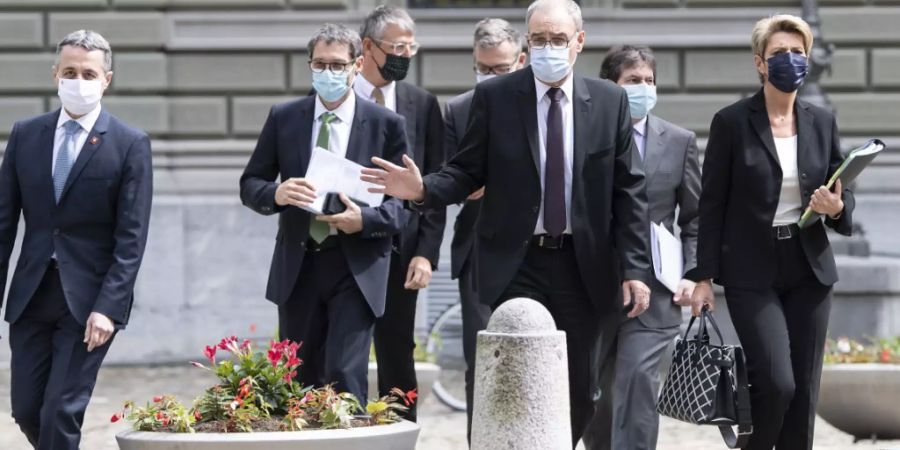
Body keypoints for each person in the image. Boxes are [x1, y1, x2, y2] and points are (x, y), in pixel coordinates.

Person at [362, 0, 653, 444]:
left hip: (583, 265)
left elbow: (628, 191)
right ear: (527, 43)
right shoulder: (496, 96)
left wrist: (635, 269)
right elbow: (466, 170)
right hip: (515, 264)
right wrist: (421, 190)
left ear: (579, 42)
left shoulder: (609, 101)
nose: (548, 48)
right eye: (539, 39)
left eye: (558, 39)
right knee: (510, 379)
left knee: (579, 391)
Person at [689, 14, 854, 450]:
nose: (790, 61)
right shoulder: (731, 122)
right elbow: (711, 203)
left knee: (803, 394)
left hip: (809, 269)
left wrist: (836, 207)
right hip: (751, 272)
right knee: (777, 383)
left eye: (798, 52)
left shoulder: (821, 120)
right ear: (760, 63)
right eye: (779, 54)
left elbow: (840, 189)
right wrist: (702, 278)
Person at [239, 23, 408, 405]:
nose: (327, 73)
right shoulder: (285, 117)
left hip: (356, 266)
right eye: (319, 64)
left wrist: (363, 220)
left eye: (336, 65)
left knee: (345, 376)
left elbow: (403, 208)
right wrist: (277, 193)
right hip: (299, 265)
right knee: (296, 379)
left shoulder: (386, 125)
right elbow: (250, 183)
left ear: (357, 65)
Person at [0, 30, 153, 450]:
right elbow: (2, 226)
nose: (78, 80)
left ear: (106, 79)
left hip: (88, 303)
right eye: (70, 72)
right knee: (28, 411)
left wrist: (109, 307)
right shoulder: (26, 134)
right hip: (31, 296)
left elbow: (131, 238)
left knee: (60, 411)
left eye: (88, 73)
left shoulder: (129, 144)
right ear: (55, 75)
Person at [583, 45, 701, 450]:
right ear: (610, 88)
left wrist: (692, 273)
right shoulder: (584, 137)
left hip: (655, 291)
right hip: (593, 287)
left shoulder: (680, 141)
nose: (644, 88)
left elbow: (695, 218)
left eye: (649, 81)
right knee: (594, 396)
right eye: (633, 81)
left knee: (637, 388)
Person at [355, 5, 446, 422]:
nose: (404, 56)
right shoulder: (336, 94)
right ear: (368, 47)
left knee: (397, 351)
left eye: (411, 48)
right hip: (345, 243)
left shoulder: (423, 104)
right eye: (396, 48)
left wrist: (426, 252)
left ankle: (400, 435)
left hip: (401, 248)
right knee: (343, 351)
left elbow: (433, 184)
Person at [443, 17, 527, 440]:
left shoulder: (545, 105)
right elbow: (448, 175)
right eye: (483, 69)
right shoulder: (457, 110)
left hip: (537, 246)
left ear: (522, 61)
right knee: (482, 357)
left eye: (501, 69)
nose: (491, 77)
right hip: (479, 248)